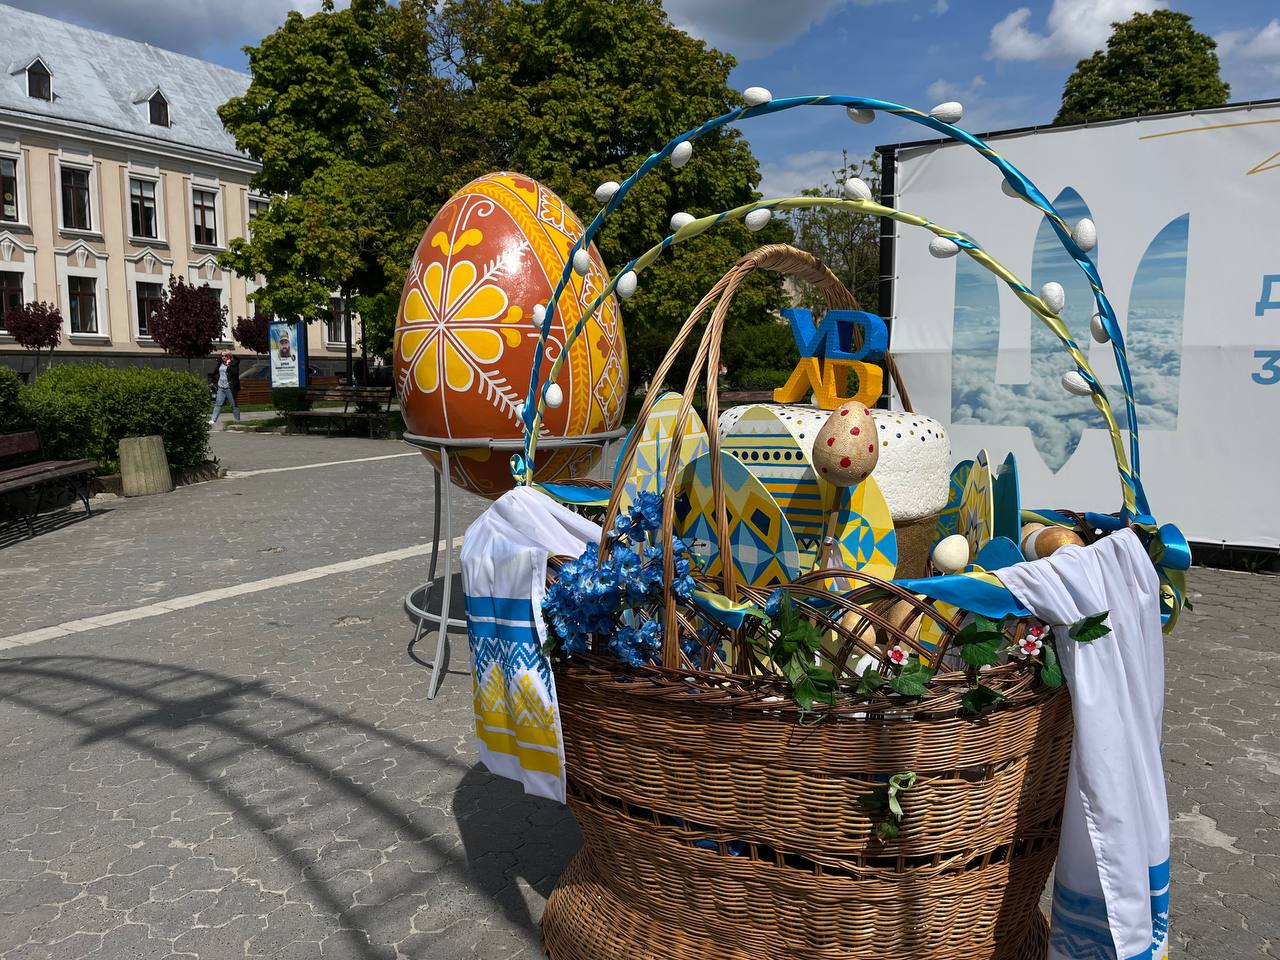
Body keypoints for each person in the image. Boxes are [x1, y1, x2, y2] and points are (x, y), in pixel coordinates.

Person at [210, 351, 241, 424]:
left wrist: (228, 364)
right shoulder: (220, 363)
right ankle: (213, 419)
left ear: (229, 356)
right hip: (221, 387)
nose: (224, 357)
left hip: (229, 388)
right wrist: (213, 381)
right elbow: (216, 373)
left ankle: (237, 420)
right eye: (222, 356)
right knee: (218, 403)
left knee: (233, 405)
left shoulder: (233, 364)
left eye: (225, 356)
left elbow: (235, 373)